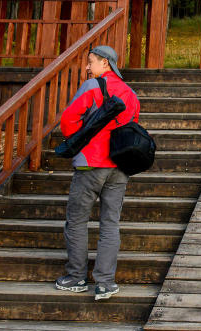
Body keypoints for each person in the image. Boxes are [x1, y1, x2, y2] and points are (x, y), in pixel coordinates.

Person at [54, 45, 139, 301]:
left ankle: (76, 276)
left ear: (105, 63)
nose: (88, 67)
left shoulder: (92, 86)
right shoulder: (130, 93)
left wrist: (79, 139)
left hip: (90, 163)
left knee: (77, 220)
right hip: (119, 166)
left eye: (91, 62)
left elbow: (68, 121)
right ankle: (105, 282)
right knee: (110, 223)